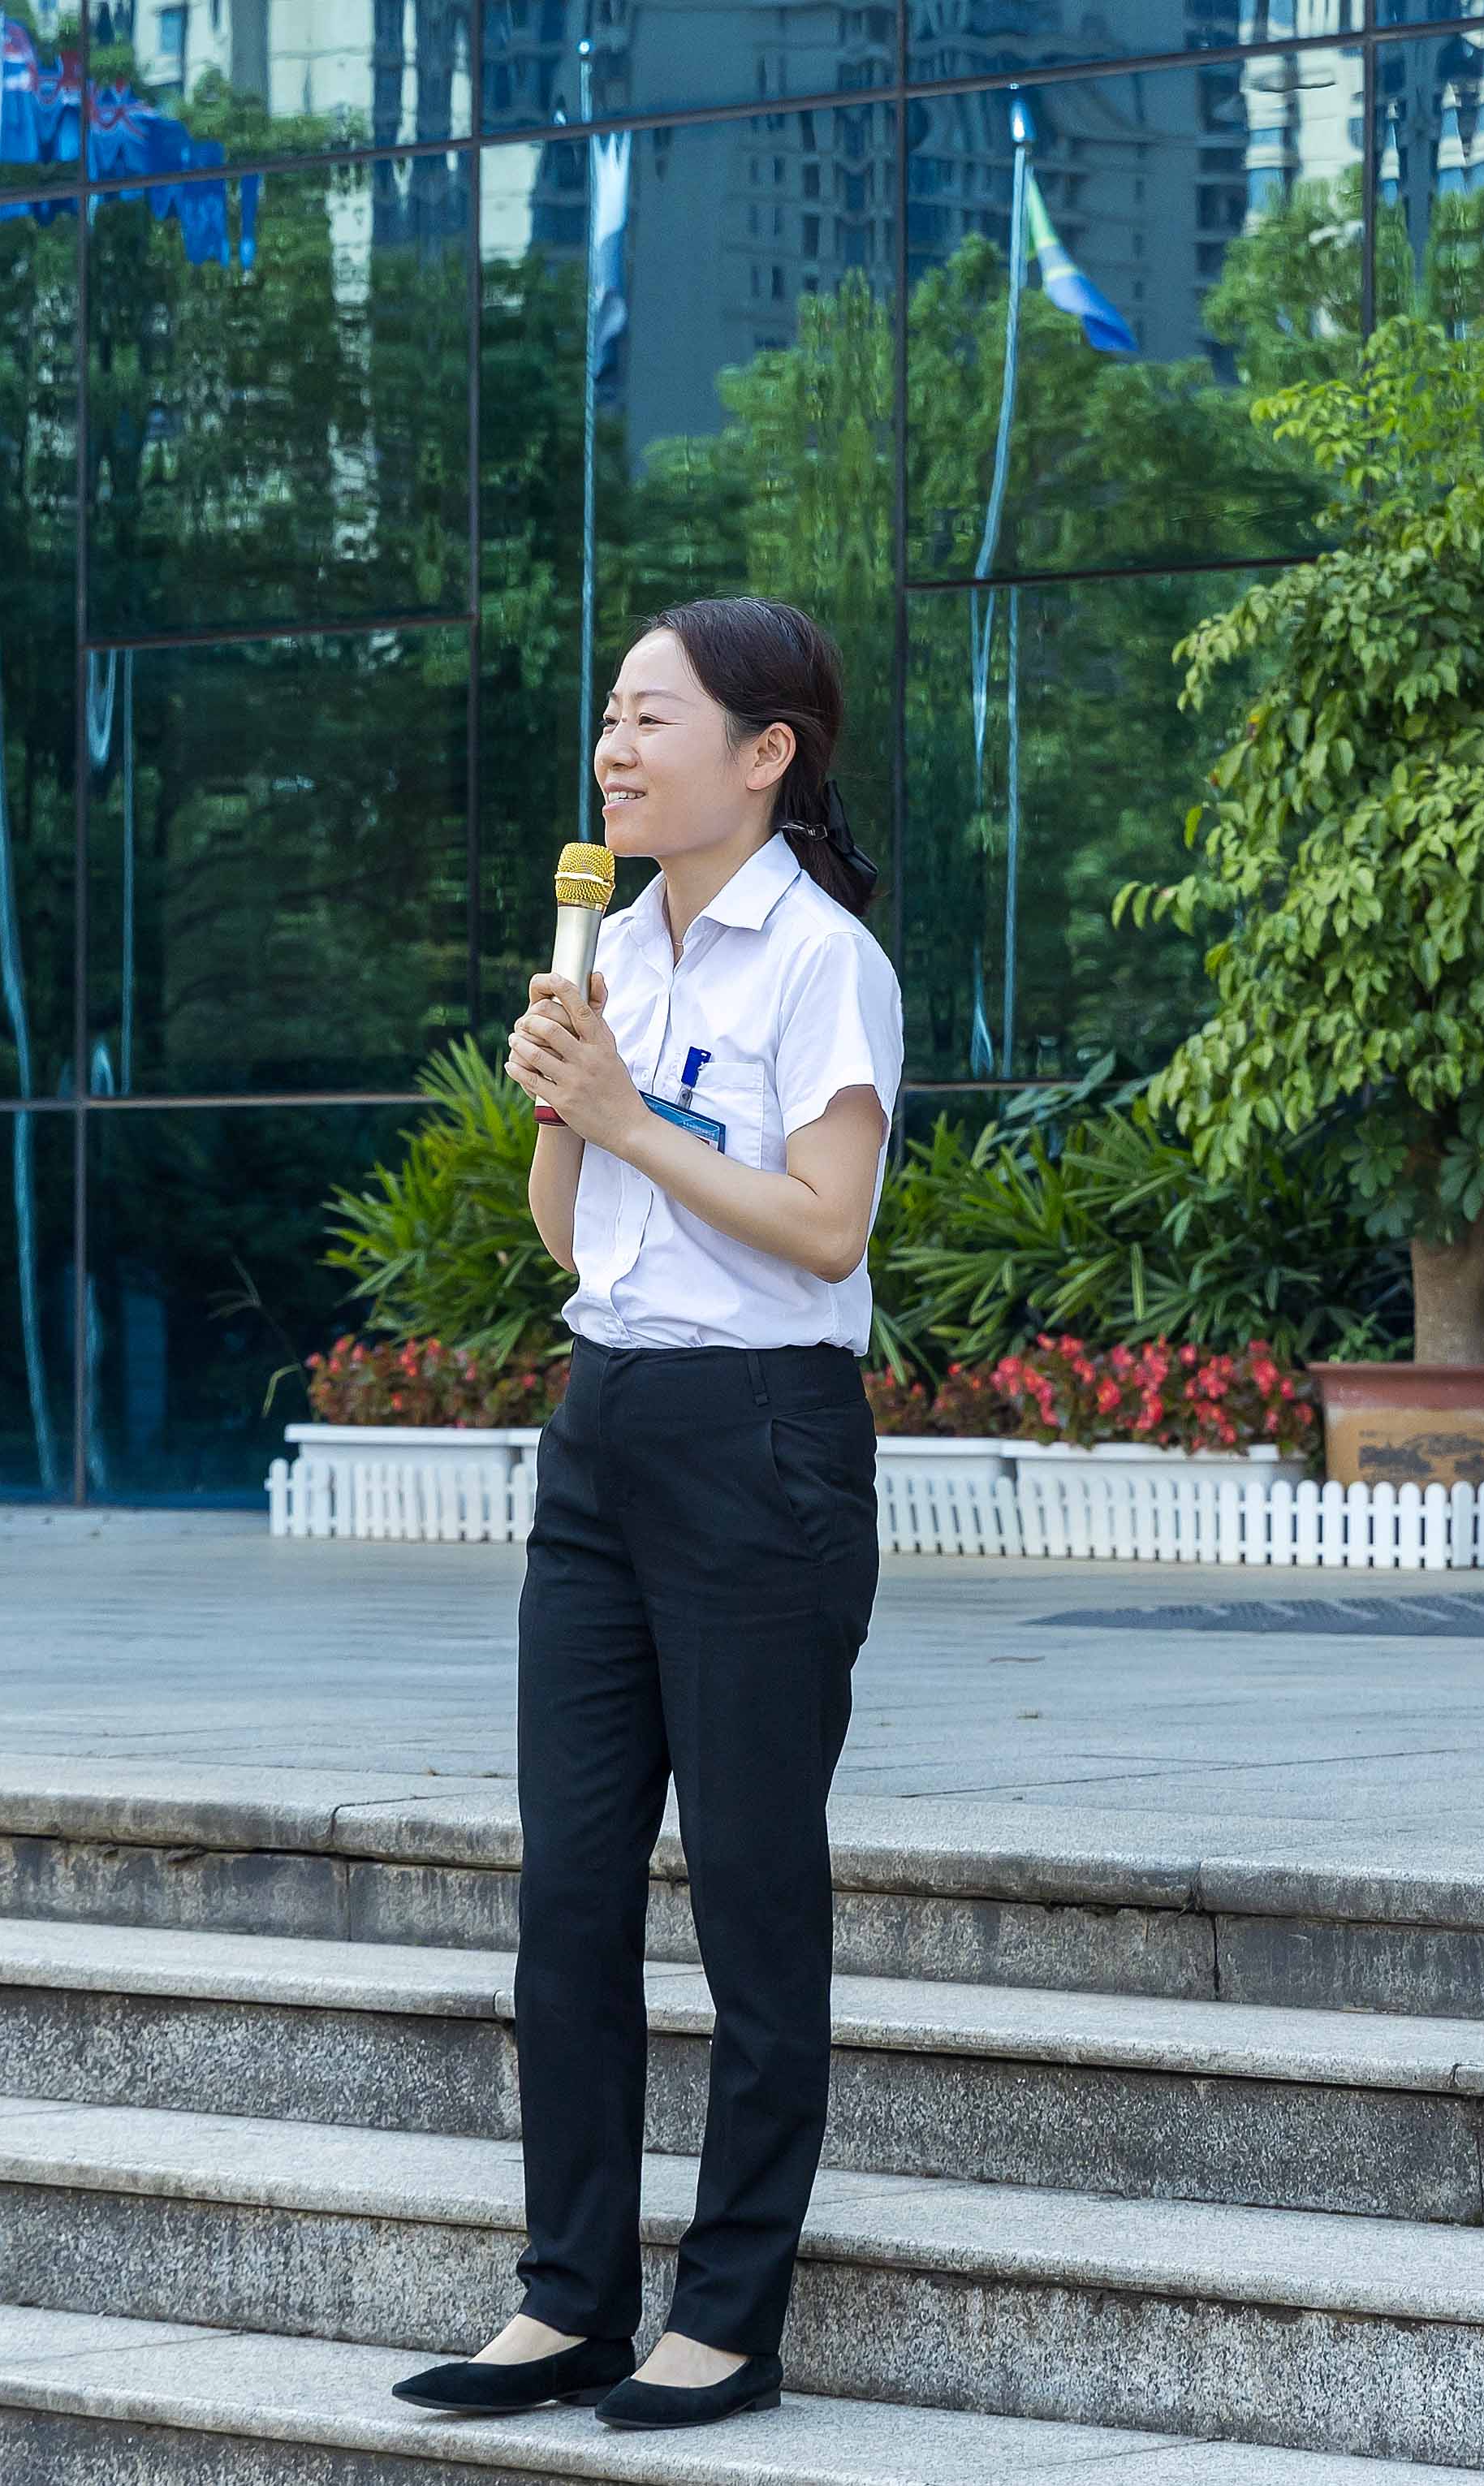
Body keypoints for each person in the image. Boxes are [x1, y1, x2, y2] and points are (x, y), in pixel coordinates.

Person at [390, 598, 903, 2435]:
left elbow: (826, 1229)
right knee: (572, 1887)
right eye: (608, 717)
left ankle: (728, 2316)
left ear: (765, 754)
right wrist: (566, 1101)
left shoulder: (819, 959)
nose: (613, 750)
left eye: (651, 719)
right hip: (602, 1425)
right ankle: (568, 2300)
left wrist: (624, 1111)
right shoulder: (613, 944)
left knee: (753, 1890)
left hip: (761, 1439)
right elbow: (571, 1233)